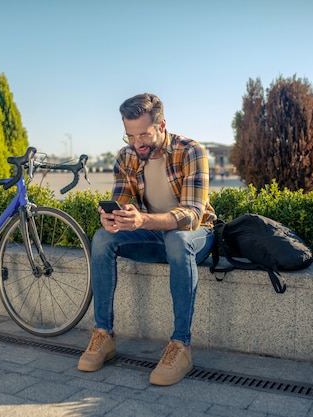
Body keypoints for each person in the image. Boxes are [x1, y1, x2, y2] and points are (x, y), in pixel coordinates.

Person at [77, 93, 217, 386]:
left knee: (177, 240)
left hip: (196, 237)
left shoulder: (191, 151)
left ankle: (180, 345)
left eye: (143, 134)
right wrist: (112, 218)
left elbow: (192, 216)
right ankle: (104, 334)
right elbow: (121, 201)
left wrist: (143, 220)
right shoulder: (127, 156)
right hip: (155, 237)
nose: (136, 143)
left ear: (161, 125)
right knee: (102, 238)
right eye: (129, 135)